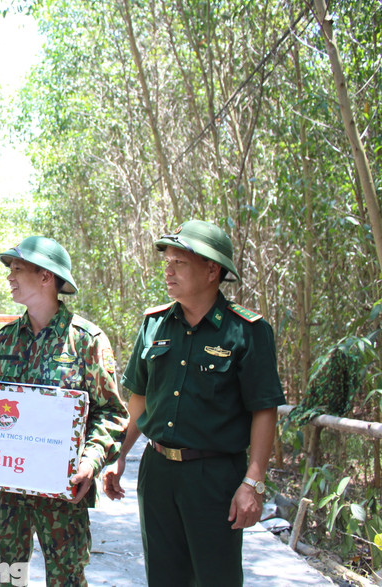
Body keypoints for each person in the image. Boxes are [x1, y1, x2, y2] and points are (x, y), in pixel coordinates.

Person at [102, 220, 286, 587]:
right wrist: (119, 456)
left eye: (180, 263)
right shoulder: (154, 325)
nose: (168, 270)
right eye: (167, 261)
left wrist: (254, 482)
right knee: (164, 577)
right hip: (157, 472)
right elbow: (139, 400)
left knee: (216, 578)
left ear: (212, 270)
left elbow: (263, 410)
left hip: (214, 477)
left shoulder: (246, 331)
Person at [0, 236, 129, 587]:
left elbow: (111, 413)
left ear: (46, 277)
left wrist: (90, 462)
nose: (10, 277)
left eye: (18, 269)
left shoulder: (86, 341)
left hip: (63, 492)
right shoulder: (4, 342)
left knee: (66, 580)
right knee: (7, 580)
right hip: (8, 493)